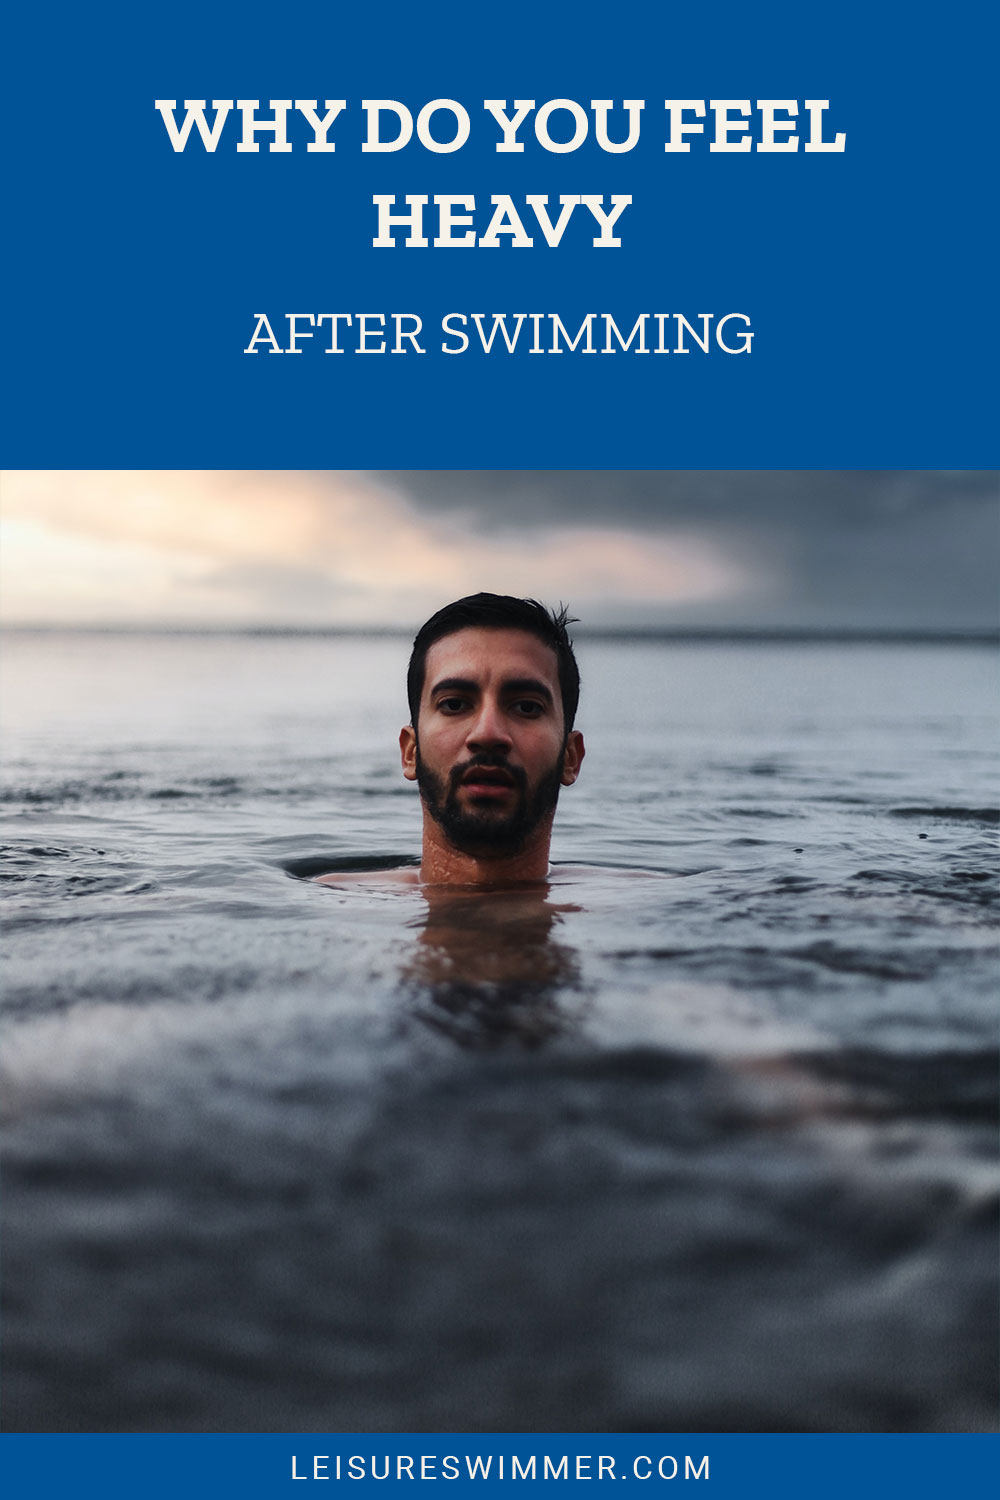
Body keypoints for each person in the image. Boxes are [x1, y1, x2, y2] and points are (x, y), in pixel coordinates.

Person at [317, 593, 585, 888]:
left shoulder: (632, 906)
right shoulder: (330, 902)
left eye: (527, 707)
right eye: (454, 705)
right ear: (410, 752)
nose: (487, 734)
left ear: (570, 756)